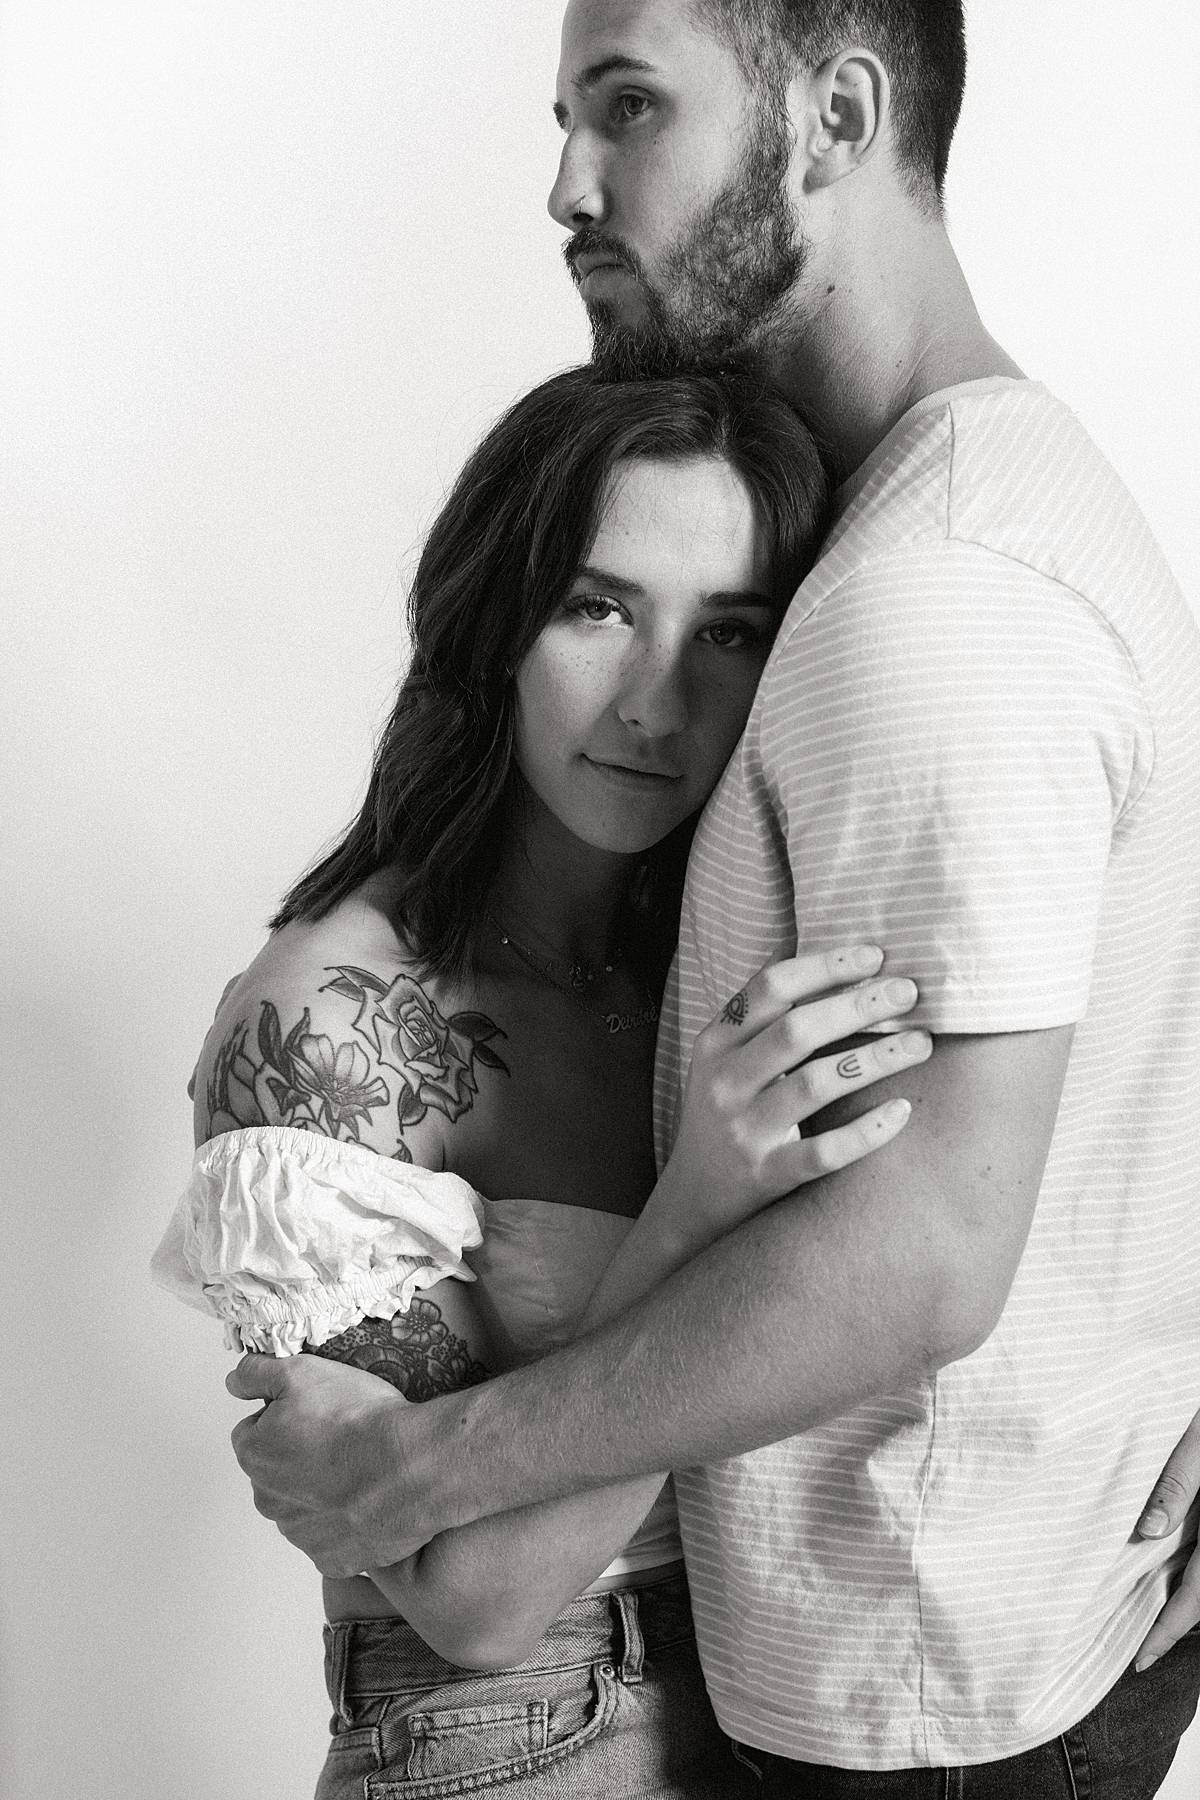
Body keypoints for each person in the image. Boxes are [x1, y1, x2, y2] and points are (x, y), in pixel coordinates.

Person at [224, 2, 1200, 1794]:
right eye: (598, 608)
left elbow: (929, 1241)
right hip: (560, 1730)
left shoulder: (938, 588)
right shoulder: (932, 530)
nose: (564, 185)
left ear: (833, 115)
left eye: (631, 110)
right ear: (489, 629)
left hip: (913, 1687)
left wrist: (425, 1467)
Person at [154, 362, 935, 1798]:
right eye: (599, 608)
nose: (658, 700)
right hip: (525, 1727)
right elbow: (474, 1598)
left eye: (732, 631)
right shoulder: (337, 1019)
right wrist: (700, 1202)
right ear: (493, 622)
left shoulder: (734, 947)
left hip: (810, 1700)